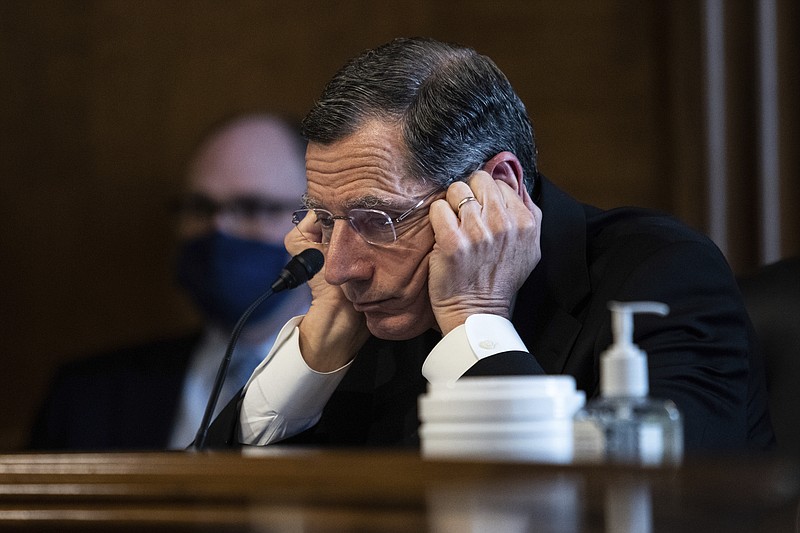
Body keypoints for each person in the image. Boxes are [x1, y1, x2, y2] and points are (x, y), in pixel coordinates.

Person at [204, 38, 774, 454]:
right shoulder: (371, 309)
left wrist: (474, 321)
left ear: (495, 189)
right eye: (323, 220)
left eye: (377, 219)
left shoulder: (663, 276)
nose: (342, 266)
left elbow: (641, 507)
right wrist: (317, 346)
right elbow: (210, 506)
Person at [28, 114, 311, 450]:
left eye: (251, 208)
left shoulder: (375, 392)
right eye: (200, 208)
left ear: (315, 223)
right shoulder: (86, 394)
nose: (220, 230)